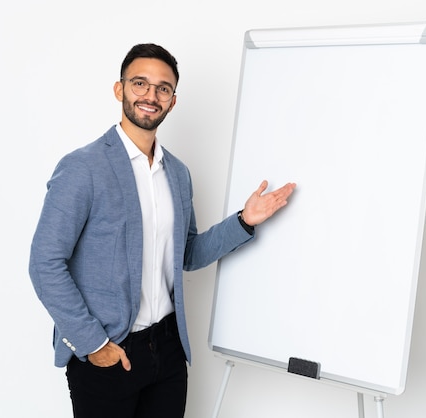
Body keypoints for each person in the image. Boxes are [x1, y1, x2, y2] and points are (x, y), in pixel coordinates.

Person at [29, 43, 296, 418]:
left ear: (172, 101)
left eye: (163, 88)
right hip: (109, 352)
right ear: (119, 89)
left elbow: (186, 253)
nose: (150, 96)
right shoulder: (82, 168)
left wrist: (243, 221)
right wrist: (93, 343)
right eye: (140, 83)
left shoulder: (178, 173)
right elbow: (45, 264)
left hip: (167, 351)